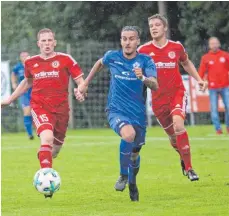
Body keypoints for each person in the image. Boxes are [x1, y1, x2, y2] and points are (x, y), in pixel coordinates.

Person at [75, 26, 158, 201]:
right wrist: (85, 83)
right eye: (124, 39)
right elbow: (99, 63)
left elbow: (155, 85)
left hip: (138, 115)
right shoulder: (113, 56)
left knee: (135, 154)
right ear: (121, 40)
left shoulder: (146, 61)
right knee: (128, 135)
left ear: (138, 41)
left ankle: (133, 183)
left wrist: (142, 77)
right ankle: (123, 175)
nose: (127, 42)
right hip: (116, 110)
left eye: (131, 39)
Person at [1, 28, 85, 198]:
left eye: (49, 40)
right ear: (38, 44)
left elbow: (80, 80)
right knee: (46, 138)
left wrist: (80, 90)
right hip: (40, 107)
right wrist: (10, 99)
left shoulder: (65, 59)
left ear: (54, 42)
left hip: (61, 111)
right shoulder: (31, 62)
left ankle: (45, 158)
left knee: (54, 150)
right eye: (43, 41)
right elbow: (27, 82)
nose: (47, 44)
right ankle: (46, 182)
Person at [138, 14, 207, 181]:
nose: (153, 28)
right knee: (172, 136)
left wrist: (199, 79)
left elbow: (186, 62)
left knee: (178, 125)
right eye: (151, 26)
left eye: (157, 25)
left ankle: (190, 168)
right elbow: (136, 74)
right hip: (158, 101)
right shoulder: (143, 51)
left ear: (165, 28)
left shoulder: (176, 47)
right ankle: (184, 159)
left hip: (177, 93)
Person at [199, 37, 229, 135]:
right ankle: (218, 129)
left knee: (228, 106)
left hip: (226, 86)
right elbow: (201, 72)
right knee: (214, 109)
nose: (214, 45)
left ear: (219, 44)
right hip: (212, 87)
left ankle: (228, 127)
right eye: (212, 43)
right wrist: (201, 83)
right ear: (209, 45)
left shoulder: (225, 55)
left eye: (215, 43)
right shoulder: (205, 58)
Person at [11, 51, 34, 140]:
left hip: (34, 91)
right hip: (24, 92)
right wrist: (13, 83)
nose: (24, 57)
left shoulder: (33, 65)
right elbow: (13, 74)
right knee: (27, 111)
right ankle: (30, 134)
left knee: (36, 111)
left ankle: (41, 130)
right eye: (22, 56)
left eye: (26, 55)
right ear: (20, 58)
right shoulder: (18, 67)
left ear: (29, 56)